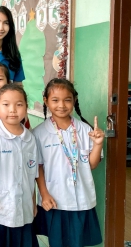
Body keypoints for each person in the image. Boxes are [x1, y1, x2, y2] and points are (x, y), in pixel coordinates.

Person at [33, 78, 103, 247]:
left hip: (81, 199)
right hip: (55, 199)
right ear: (46, 101)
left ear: (74, 100)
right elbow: (38, 167)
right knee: (57, 242)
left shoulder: (85, 130)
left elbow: (91, 164)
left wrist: (98, 144)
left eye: (67, 100)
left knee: (78, 242)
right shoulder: (38, 133)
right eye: (55, 100)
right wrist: (44, 194)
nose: (61, 105)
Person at [0, 84, 38, 247]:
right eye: (6, 104)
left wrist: (33, 201)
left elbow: (31, 175)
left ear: (26, 107)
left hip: (24, 210)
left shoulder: (31, 139)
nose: (12, 110)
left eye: (19, 104)